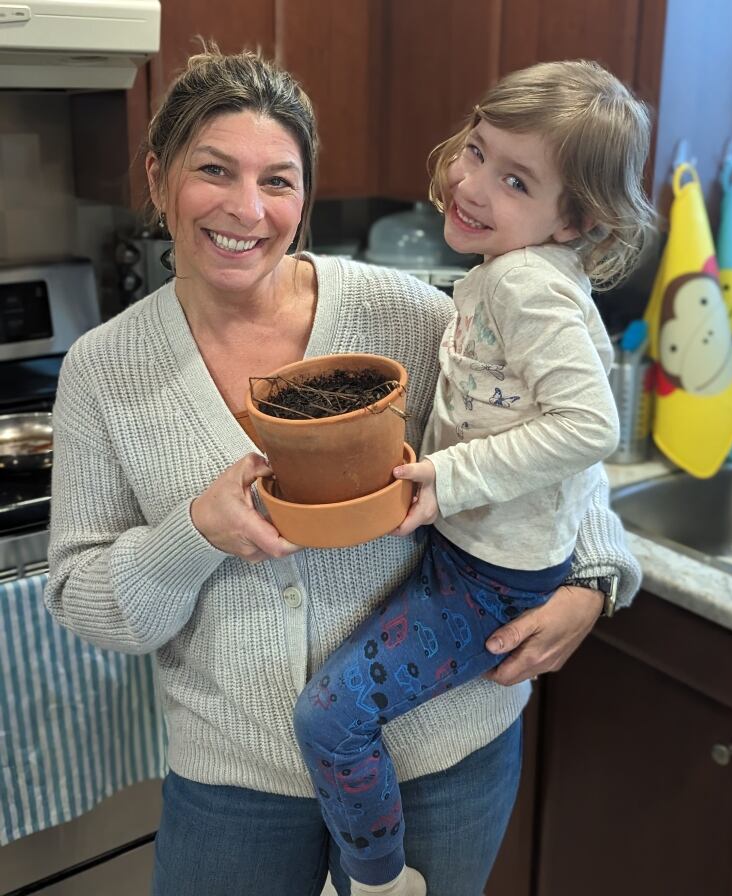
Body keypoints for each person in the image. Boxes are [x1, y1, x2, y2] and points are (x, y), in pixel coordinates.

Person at [44, 47, 641, 896]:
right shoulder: (105, 370)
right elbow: (82, 598)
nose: (246, 209)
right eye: (214, 170)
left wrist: (595, 577)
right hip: (237, 785)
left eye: (278, 181)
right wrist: (195, 534)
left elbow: (549, 449)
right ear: (157, 174)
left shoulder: (413, 314)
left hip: (442, 755)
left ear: (305, 195)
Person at [292, 58, 654, 896]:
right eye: (479, 150)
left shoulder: (526, 284)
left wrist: (448, 475)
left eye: (515, 179)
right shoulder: (503, 272)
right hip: (476, 561)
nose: (471, 182)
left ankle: (379, 883)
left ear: (574, 222)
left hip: (490, 584)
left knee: (331, 719)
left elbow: (590, 427)